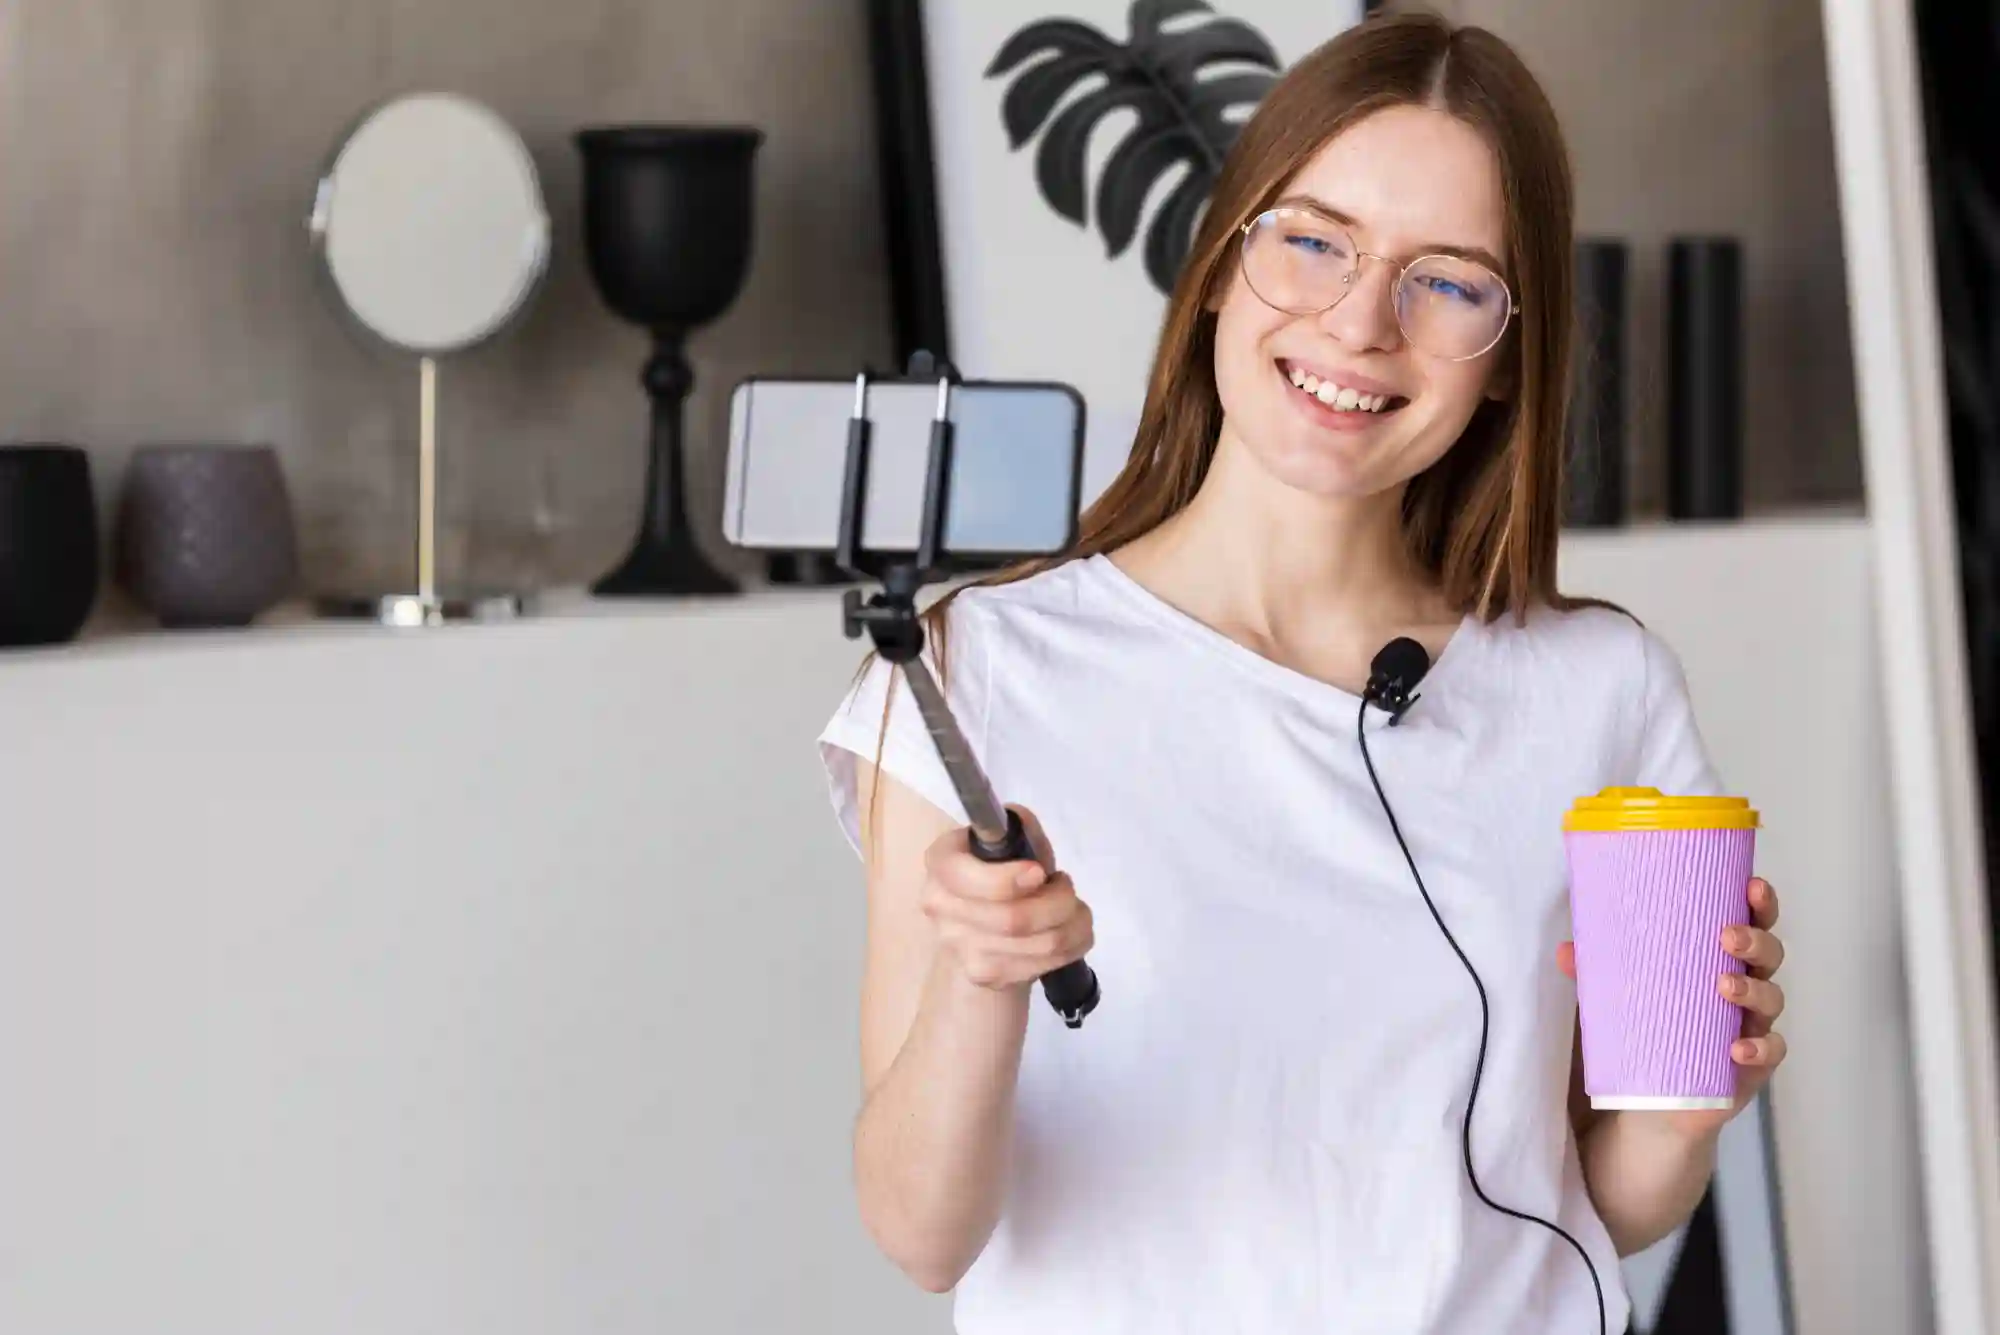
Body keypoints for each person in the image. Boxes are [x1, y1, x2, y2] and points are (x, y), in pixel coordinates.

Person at [814, 11, 1790, 1334]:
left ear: (1510, 354)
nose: (1360, 321)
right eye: (1315, 240)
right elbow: (922, 1233)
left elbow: (1587, 1209)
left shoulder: (1601, 689)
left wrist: (1689, 1103)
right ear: (1223, 264)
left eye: (1447, 281)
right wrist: (983, 980)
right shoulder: (976, 671)